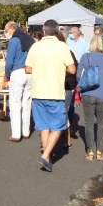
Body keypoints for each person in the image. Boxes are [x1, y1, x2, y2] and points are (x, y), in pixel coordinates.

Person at [25, 19, 76, 172]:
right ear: (57, 31)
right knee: (58, 125)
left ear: (44, 30)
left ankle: (47, 157)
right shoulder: (62, 47)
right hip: (55, 91)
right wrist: (59, 70)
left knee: (43, 125)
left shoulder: (36, 46)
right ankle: (46, 154)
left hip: (38, 91)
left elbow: (27, 69)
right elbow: (72, 70)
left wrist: (42, 69)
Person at [76, 33, 103, 161]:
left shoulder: (85, 57)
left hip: (87, 93)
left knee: (89, 123)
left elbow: (78, 76)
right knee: (102, 122)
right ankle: (100, 150)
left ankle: (89, 151)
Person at [4, 21, 35, 142]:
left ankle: (16, 134)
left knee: (15, 103)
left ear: (12, 29)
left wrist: (6, 75)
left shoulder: (14, 41)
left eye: (6, 31)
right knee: (26, 103)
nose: (6, 33)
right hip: (30, 72)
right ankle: (26, 131)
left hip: (17, 72)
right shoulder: (29, 39)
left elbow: (10, 61)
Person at [56, 31, 78, 151]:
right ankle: (63, 138)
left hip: (66, 86)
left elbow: (73, 69)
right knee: (61, 113)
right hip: (59, 86)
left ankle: (66, 139)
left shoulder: (67, 51)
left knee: (63, 113)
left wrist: (60, 74)